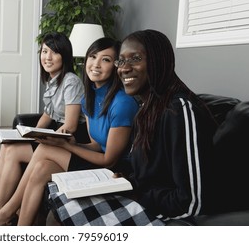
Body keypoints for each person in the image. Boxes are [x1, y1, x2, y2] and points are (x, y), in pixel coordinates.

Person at [48, 29, 219, 226]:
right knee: (60, 202)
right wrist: (127, 181)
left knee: (63, 214)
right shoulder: (146, 108)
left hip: (167, 214)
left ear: (158, 61)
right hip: (143, 197)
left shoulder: (180, 109)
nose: (124, 68)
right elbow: (152, 174)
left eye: (135, 58)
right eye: (121, 61)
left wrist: (137, 194)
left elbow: (192, 201)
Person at [0, 37, 139, 226]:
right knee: (41, 168)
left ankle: (5, 213)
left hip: (116, 172)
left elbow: (109, 160)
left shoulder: (122, 103)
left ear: (116, 66)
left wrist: (67, 145)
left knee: (46, 149)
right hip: (98, 159)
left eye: (105, 59)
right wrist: (73, 145)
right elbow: (96, 144)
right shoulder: (89, 98)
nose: (96, 64)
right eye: (92, 57)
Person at [0, 32, 88, 224]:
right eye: (44, 51)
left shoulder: (71, 80)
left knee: (13, 152)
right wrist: (29, 134)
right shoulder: (54, 79)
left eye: (54, 52)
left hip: (70, 138)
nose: (47, 57)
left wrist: (45, 137)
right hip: (56, 135)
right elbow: (48, 113)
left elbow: (70, 124)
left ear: (64, 55)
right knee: (8, 146)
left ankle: (0, 215)